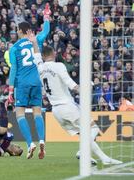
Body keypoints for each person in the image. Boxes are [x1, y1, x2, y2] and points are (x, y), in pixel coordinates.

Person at [29, 32, 122, 165]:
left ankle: (104, 158)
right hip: (67, 107)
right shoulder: (59, 66)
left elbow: (36, 55)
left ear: (44, 56)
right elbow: (72, 86)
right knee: (94, 129)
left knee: (85, 135)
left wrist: (34, 42)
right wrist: (87, 87)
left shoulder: (40, 68)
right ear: (55, 54)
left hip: (56, 111)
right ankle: (83, 152)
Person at [7, 21, 45, 159]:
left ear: (21, 31)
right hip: (36, 82)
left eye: (17, 30)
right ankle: (41, 140)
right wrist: (46, 19)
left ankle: (30, 144)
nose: (16, 32)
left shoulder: (14, 48)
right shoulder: (36, 41)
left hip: (22, 84)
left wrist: (11, 90)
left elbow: (14, 69)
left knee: (20, 114)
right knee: (37, 113)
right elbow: (45, 31)